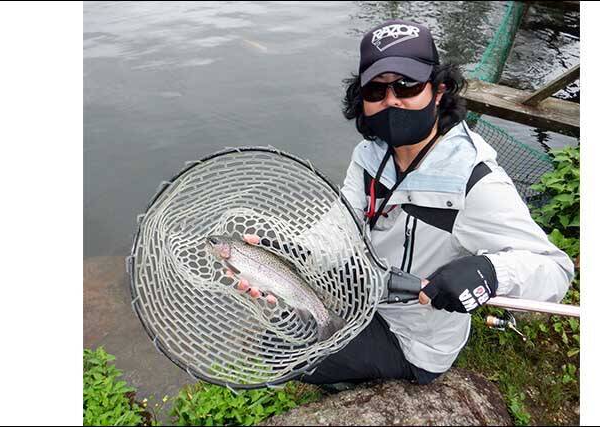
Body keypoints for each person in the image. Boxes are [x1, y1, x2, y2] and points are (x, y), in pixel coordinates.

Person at [235, 19, 574, 387]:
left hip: (414, 340)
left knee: (284, 354)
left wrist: (490, 271)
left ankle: (365, 384)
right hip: (367, 300)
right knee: (276, 337)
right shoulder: (370, 156)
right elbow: (341, 227)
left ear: (439, 90)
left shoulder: (473, 181)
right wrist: (298, 252)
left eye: (407, 85)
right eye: (376, 90)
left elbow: (555, 270)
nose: (392, 100)